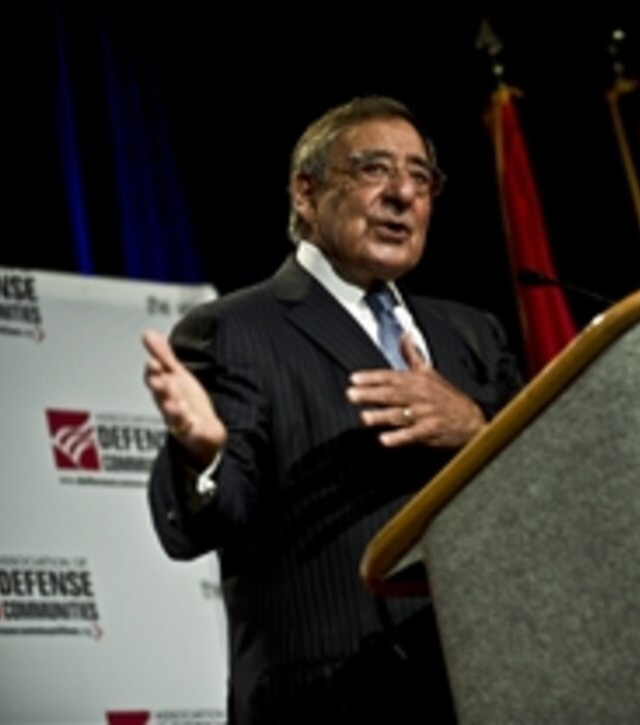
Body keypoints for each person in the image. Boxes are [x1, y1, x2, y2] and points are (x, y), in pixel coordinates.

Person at [142, 96, 523, 723]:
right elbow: (201, 524)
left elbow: (547, 492)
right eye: (374, 169)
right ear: (305, 192)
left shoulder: (474, 336)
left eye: (421, 177)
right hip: (332, 700)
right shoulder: (235, 330)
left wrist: (476, 430)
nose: (403, 192)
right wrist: (202, 453)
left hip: (488, 686)